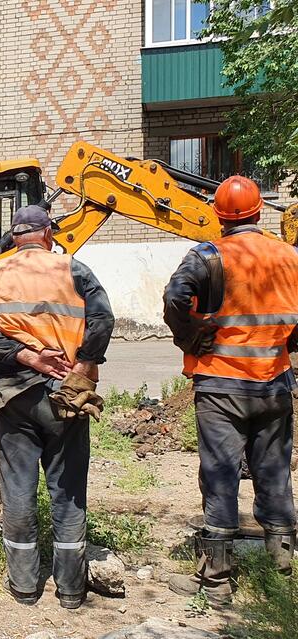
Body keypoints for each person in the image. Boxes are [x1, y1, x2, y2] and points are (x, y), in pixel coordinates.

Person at [0, 205, 115, 609]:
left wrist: (25, 356)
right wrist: (84, 364)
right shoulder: (73, 269)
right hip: (64, 394)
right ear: (48, 234)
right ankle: (70, 591)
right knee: (67, 489)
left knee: (17, 488)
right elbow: (102, 320)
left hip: (13, 397)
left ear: (14, 237)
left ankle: (24, 587)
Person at [163, 176, 298, 606]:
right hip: (274, 383)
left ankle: (217, 581)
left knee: (220, 476)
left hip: (221, 385)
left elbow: (174, 297)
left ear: (219, 216)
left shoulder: (208, 255)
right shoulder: (290, 256)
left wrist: (192, 334)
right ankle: (281, 570)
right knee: (274, 473)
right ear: (259, 212)